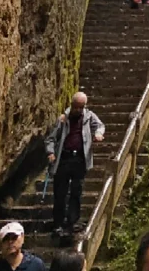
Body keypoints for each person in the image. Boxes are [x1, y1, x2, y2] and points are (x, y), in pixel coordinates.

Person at [45, 93, 106, 240]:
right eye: (76, 106)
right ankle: (58, 224)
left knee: (76, 191)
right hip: (64, 158)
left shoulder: (89, 116)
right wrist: (51, 152)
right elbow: (51, 138)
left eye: (81, 107)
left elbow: (100, 126)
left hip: (80, 159)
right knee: (60, 192)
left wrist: (98, 134)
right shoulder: (63, 119)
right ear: (71, 104)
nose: (78, 110)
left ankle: (72, 222)